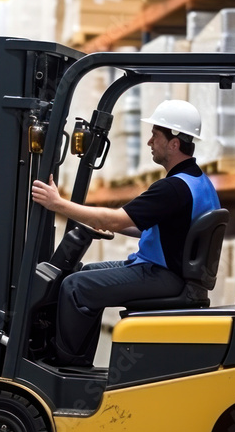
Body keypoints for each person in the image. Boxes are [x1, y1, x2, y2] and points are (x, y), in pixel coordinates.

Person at [30, 99, 221, 367]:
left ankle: (65, 367)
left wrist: (57, 204)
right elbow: (166, 230)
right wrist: (108, 224)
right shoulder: (199, 183)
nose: (149, 142)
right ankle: (78, 359)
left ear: (174, 143)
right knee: (83, 274)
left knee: (74, 286)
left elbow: (119, 219)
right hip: (173, 274)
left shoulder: (172, 188)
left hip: (164, 276)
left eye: (155, 135)